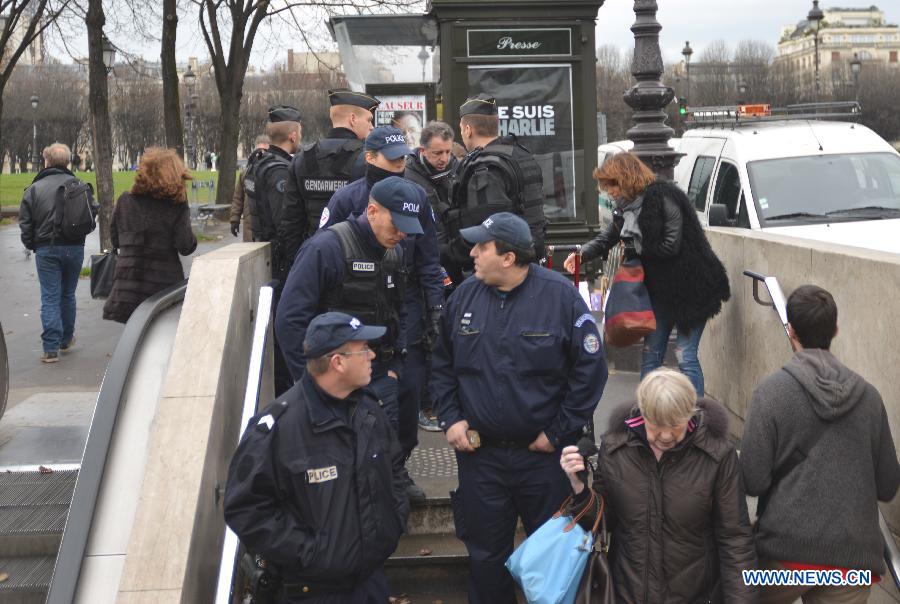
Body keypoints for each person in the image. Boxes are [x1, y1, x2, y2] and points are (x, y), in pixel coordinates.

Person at [431, 212, 608, 603]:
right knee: (485, 557)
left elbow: (591, 370)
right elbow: (441, 365)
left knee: (554, 559)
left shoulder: (559, 297)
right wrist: (451, 419)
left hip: (542, 459)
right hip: (481, 458)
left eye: (482, 246)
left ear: (508, 257)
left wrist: (559, 432)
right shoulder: (464, 297)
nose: (472, 252)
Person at [224, 311, 409, 603]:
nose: (373, 355)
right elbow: (245, 507)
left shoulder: (369, 411)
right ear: (338, 362)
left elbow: (395, 469)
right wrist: (310, 552)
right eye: (363, 349)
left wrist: (392, 524)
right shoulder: (279, 427)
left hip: (370, 583)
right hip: (311, 592)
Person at [740, 285, 900, 604]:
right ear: (836, 330)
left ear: (790, 331)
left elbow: (752, 480)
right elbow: (887, 486)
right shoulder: (869, 397)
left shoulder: (770, 392)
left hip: (783, 555)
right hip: (851, 563)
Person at [560, 368, 757, 603]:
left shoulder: (716, 455)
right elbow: (605, 521)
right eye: (656, 426)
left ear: (690, 414)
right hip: (628, 592)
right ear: (643, 414)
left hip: (695, 594)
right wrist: (579, 488)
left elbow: (735, 540)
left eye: (676, 425)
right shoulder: (615, 449)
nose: (665, 436)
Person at [320, 127, 443, 491]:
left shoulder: (418, 198)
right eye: (392, 158)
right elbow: (323, 252)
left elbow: (429, 260)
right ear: (370, 158)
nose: (400, 164)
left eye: (403, 157)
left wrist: (436, 309)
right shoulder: (346, 200)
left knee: (407, 397)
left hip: (405, 308)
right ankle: (366, 475)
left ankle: (398, 469)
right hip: (355, 310)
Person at [564, 152, 730, 396]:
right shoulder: (625, 209)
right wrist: (582, 255)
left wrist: (633, 248)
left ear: (626, 178)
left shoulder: (663, 197)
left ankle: (697, 415)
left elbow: (670, 245)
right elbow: (607, 237)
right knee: (651, 354)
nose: (609, 191)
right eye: (606, 186)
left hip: (693, 287)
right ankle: (645, 414)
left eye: (612, 184)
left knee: (685, 355)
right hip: (661, 289)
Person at [276, 176, 423, 439]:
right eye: (396, 224)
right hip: (333, 379)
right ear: (372, 211)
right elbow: (290, 320)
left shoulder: (395, 253)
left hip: (380, 374)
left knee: (388, 454)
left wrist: (395, 369)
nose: (402, 234)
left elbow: (399, 310)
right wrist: (312, 381)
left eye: (408, 228)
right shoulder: (325, 248)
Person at [445, 94, 547, 283]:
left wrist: (448, 255)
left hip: (500, 272)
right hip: (531, 262)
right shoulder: (523, 155)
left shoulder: (484, 167)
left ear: (468, 130)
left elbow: (487, 228)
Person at [280, 89, 379, 264]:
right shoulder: (368, 160)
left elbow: (291, 222)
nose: (372, 126)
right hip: (356, 262)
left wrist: (297, 264)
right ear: (353, 119)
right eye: (369, 120)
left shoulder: (302, 159)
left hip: (312, 257)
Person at [404, 120, 458, 432]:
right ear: (423, 150)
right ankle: (427, 403)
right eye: (438, 153)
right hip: (425, 262)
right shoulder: (412, 176)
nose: (444, 159)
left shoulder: (455, 169)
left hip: (451, 258)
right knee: (427, 333)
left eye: (448, 152)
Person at [18, 143, 94, 363]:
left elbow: (26, 223)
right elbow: (91, 213)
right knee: (67, 294)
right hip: (74, 246)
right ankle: (66, 338)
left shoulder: (35, 188)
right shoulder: (79, 185)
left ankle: (50, 348)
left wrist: (32, 244)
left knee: (50, 297)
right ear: (68, 162)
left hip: (46, 247)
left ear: (47, 161)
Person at [102, 148, 197, 324]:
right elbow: (185, 246)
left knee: (134, 337)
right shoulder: (176, 206)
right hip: (162, 287)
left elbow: (116, 239)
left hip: (128, 284)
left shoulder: (125, 201)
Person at [230, 134, 269, 242]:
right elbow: (238, 198)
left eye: (264, 150)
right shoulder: (245, 173)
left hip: (268, 228)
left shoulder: (273, 173)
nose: (261, 153)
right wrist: (234, 220)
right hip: (249, 228)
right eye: (259, 150)